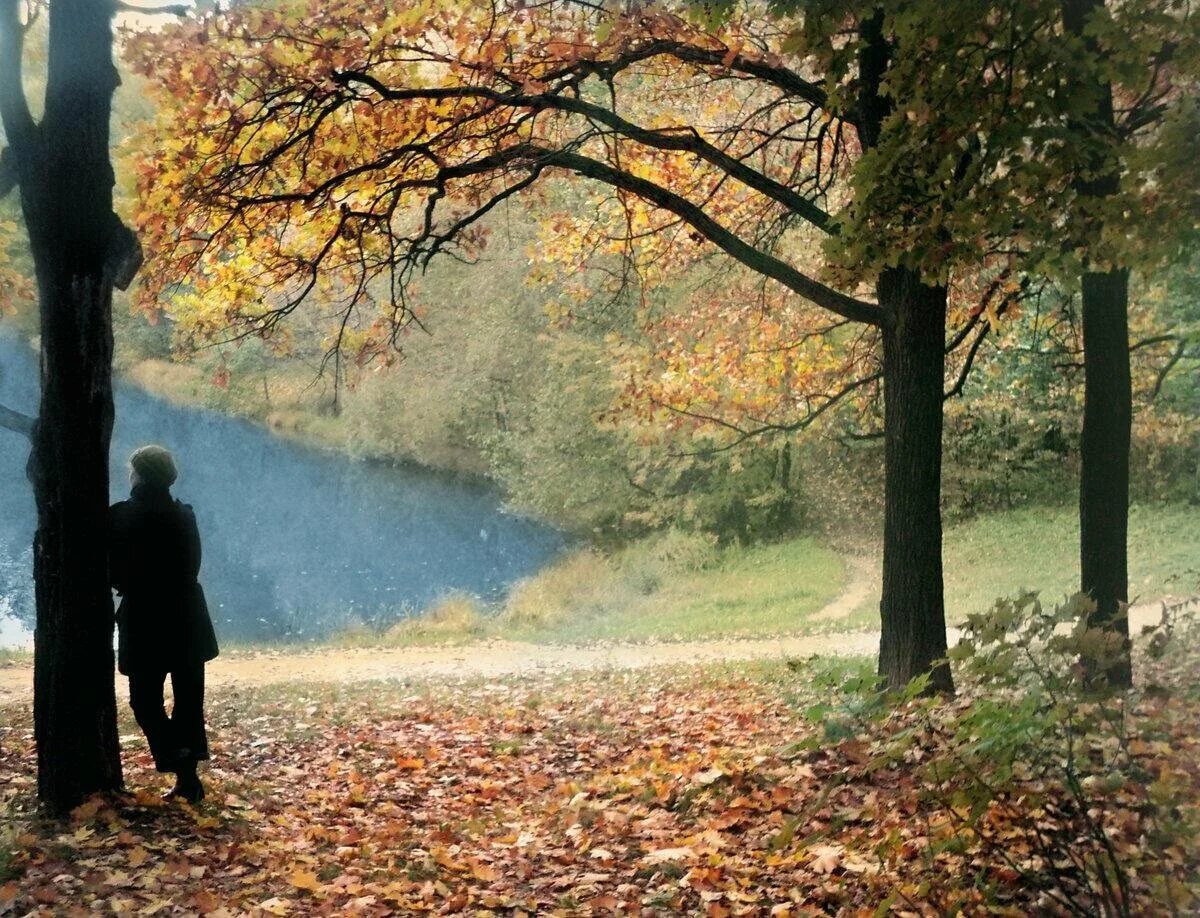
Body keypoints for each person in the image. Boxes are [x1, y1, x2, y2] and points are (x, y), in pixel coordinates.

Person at [109, 445, 219, 802]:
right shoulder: (185, 515)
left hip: (145, 617)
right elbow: (193, 564)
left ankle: (179, 763)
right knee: (188, 701)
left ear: (139, 475)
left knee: (144, 700)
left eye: (132, 471)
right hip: (187, 614)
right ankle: (188, 776)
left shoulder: (121, 516)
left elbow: (113, 571)